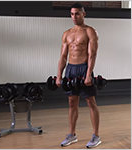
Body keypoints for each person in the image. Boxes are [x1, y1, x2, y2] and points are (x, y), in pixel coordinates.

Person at [55, 3, 101, 148]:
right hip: (70, 69)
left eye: (77, 14)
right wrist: (59, 75)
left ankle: (96, 136)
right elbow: (63, 56)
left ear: (83, 14)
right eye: (72, 14)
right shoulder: (67, 33)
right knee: (72, 103)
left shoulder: (90, 31)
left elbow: (92, 54)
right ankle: (72, 135)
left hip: (83, 68)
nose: (74, 17)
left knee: (90, 102)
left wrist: (88, 74)